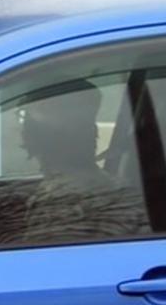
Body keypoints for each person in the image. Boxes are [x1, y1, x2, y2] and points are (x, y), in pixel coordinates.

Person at [18, 80, 148, 243]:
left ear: (34, 139)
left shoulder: (59, 202)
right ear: (92, 133)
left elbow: (47, 264)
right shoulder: (119, 190)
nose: (20, 128)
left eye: (25, 119)